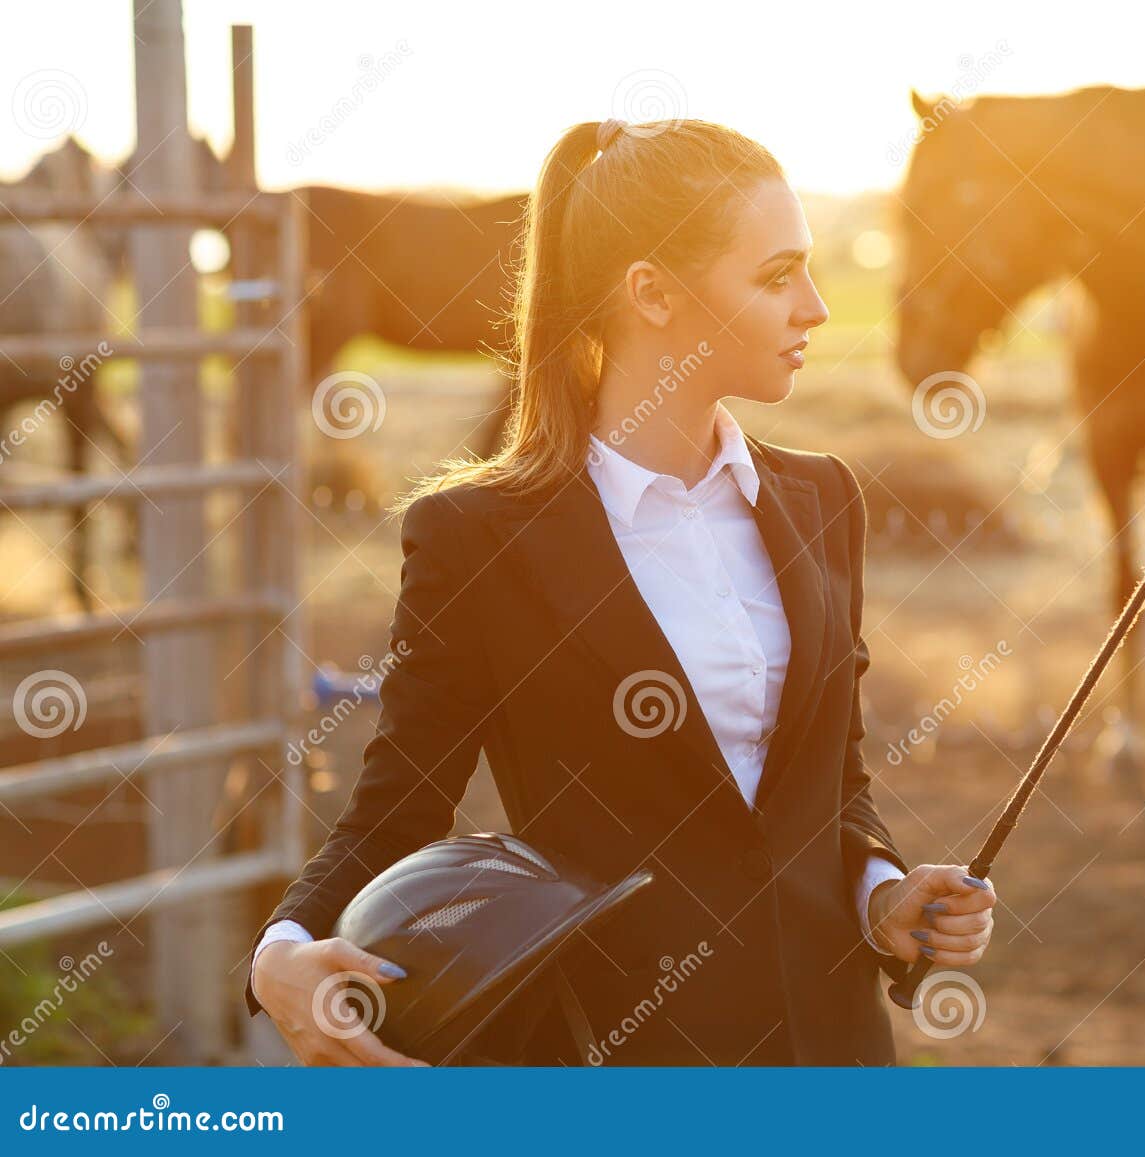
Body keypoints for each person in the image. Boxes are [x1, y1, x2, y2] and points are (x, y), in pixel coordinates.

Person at [245, 116, 998, 1065]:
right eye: (776, 275)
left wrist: (883, 892)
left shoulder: (823, 499)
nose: (816, 306)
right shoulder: (479, 536)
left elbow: (830, 786)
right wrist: (281, 951)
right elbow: (398, 809)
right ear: (652, 293)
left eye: (809, 269)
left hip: (835, 1052)